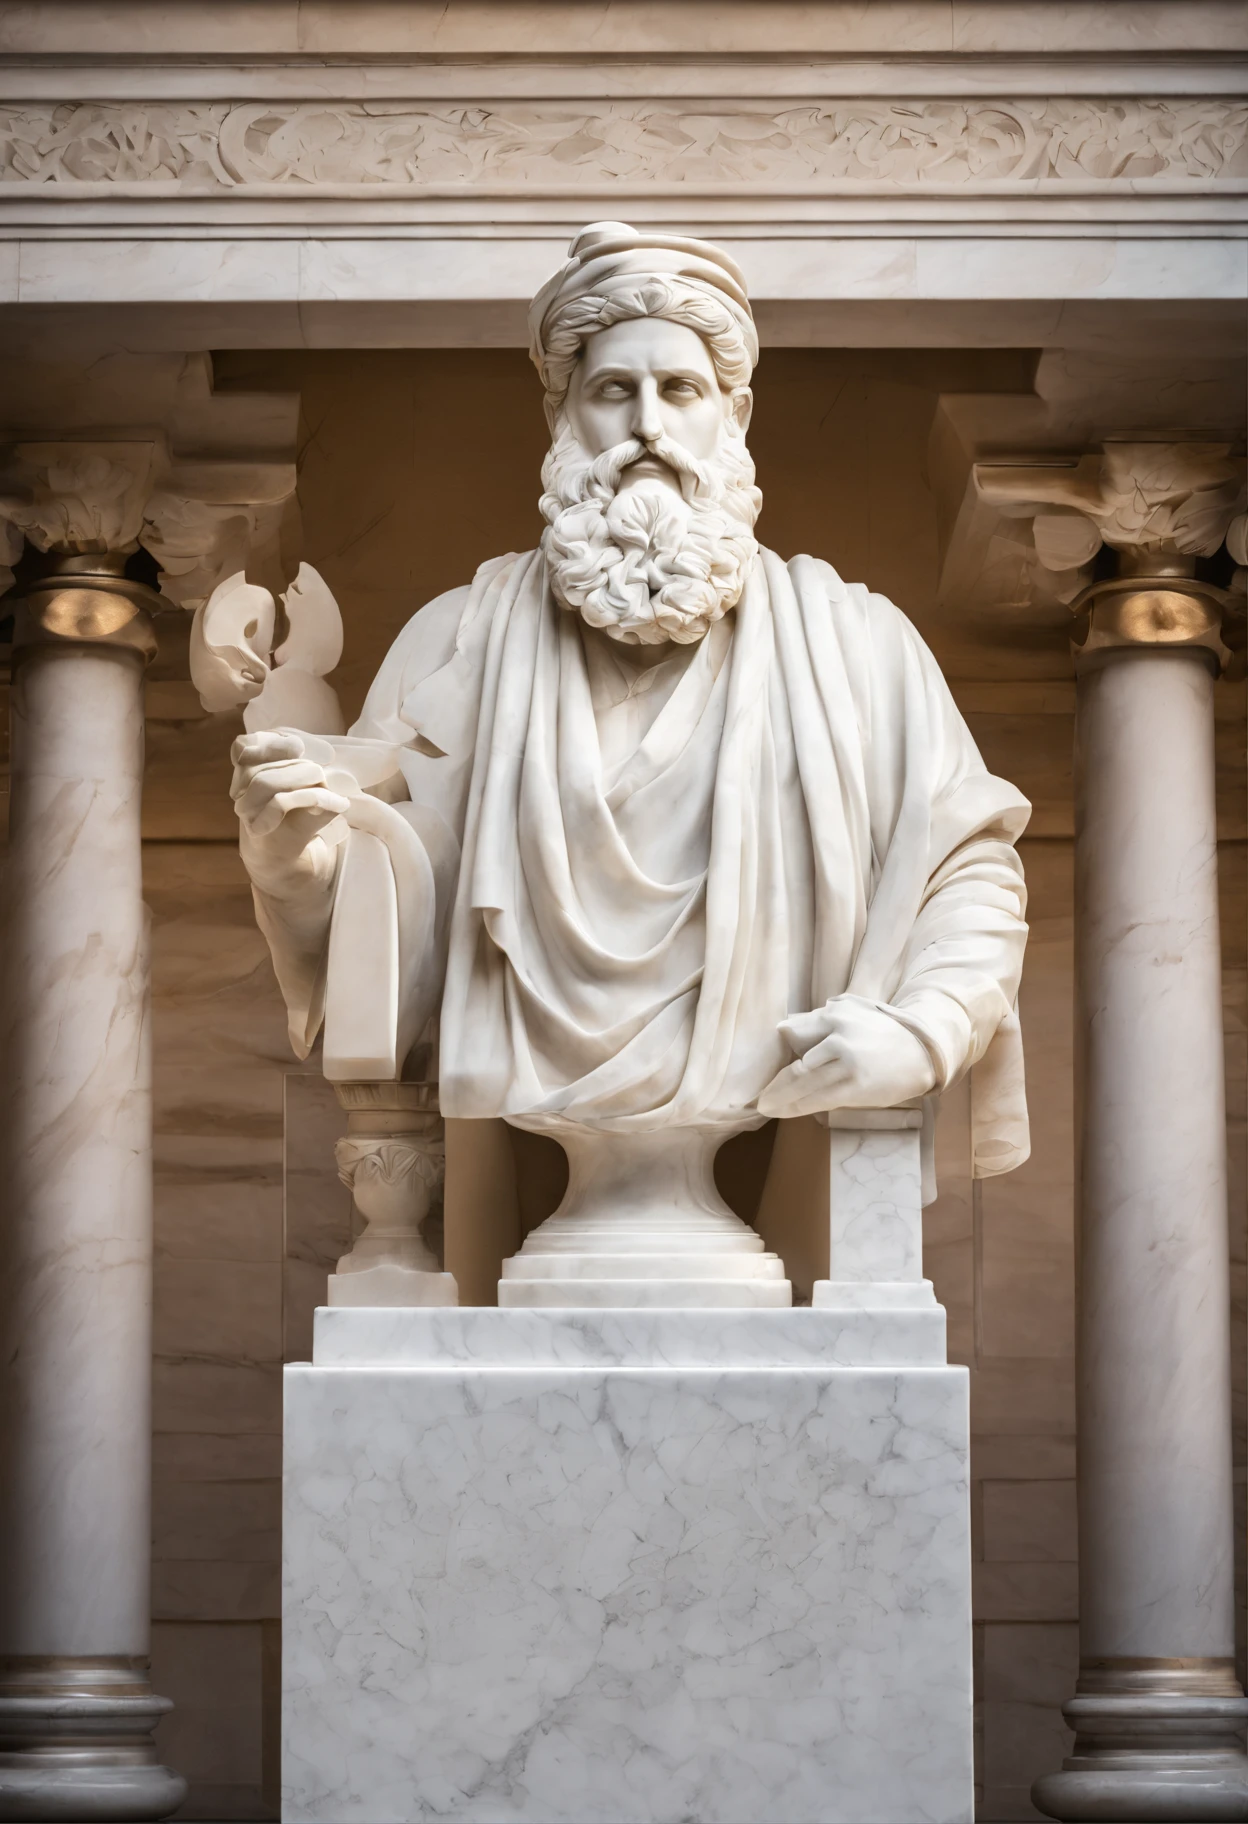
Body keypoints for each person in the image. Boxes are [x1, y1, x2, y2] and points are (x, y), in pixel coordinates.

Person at [232, 221, 1029, 1181]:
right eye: (614, 390)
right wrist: (293, 870)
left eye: (680, 389)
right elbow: (383, 897)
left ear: (731, 418)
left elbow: (967, 868)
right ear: (565, 419)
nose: (648, 425)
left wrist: (927, 1032)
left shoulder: (859, 646)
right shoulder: (455, 640)